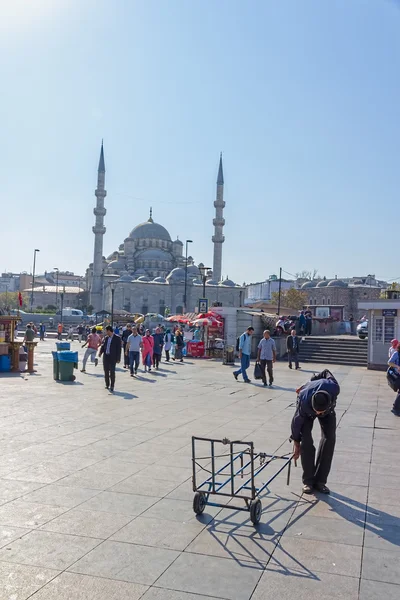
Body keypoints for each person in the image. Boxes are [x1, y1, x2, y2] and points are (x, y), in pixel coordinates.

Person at [291, 369, 340, 494]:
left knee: (329, 440)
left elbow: (325, 372)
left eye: (320, 412)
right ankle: (308, 481)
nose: (318, 414)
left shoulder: (334, 387)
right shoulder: (304, 398)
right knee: (306, 441)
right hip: (307, 411)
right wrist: (296, 441)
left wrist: (313, 380)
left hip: (328, 412)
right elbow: (296, 422)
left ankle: (320, 481)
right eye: (317, 412)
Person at [99, 325, 121, 392]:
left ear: (109, 331)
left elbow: (119, 349)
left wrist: (118, 358)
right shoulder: (106, 338)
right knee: (106, 371)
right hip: (106, 356)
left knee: (112, 372)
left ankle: (112, 385)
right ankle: (107, 384)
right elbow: (103, 346)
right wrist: (100, 352)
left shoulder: (117, 338)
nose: (105, 332)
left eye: (106, 331)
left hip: (113, 357)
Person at [388, 345, 400, 415]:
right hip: (398, 375)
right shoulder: (396, 354)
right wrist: (397, 366)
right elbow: (389, 362)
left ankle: (396, 408)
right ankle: (395, 408)